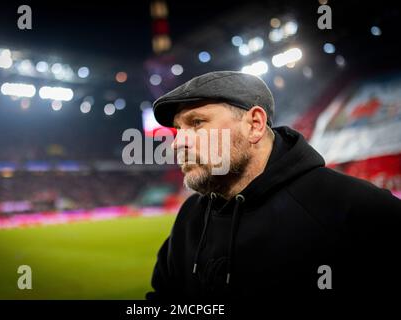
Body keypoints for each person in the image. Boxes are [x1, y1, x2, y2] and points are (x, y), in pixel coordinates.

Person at [146, 71, 401, 302]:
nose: (178, 143)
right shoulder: (190, 218)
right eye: (179, 129)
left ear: (255, 124)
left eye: (197, 122)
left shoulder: (355, 208)